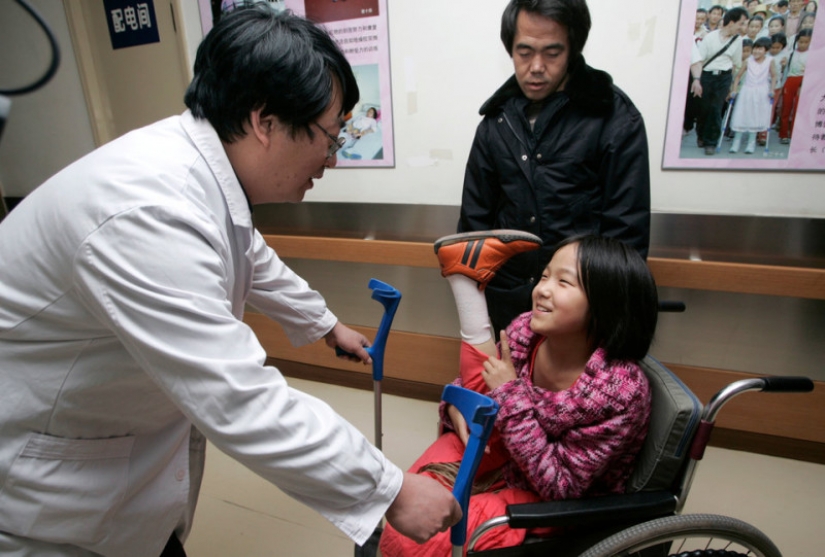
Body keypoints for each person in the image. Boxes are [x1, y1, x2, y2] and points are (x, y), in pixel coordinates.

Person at [0, 7, 461, 557]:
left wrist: (324, 322)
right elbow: (240, 399)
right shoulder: (147, 210)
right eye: (329, 137)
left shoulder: (198, 171)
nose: (331, 160)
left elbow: (248, 253)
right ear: (265, 123)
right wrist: (390, 489)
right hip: (44, 503)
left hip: (114, 465)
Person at [379, 230, 657, 555]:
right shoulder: (526, 332)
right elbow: (471, 383)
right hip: (504, 453)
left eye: (563, 283)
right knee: (406, 505)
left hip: (551, 499)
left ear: (606, 303)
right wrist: (457, 410)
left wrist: (509, 393)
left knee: (416, 541)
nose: (542, 290)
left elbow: (560, 486)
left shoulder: (617, 390)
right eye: (544, 276)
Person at [457, 0, 651, 336]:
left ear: (572, 48)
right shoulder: (495, 122)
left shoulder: (615, 118)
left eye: (552, 52)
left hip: (580, 314)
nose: (535, 66)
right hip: (508, 307)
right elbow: (474, 227)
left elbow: (625, 238)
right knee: (507, 389)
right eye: (524, 52)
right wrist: (477, 324)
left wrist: (599, 316)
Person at [690, 7, 749, 155]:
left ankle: (711, 142)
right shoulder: (710, 37)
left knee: (716, 109)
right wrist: (697, 80)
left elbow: (736, 63)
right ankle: (701, 135)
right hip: (707, 76)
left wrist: (731, 86)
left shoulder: (738, 40)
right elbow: (700, 60)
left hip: (724, 77)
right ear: (731, 22)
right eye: (741, 23)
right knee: (704, 108)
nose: (743, 27)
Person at [728, 37, 777, 153]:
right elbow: (738, 76)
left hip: (761, 92)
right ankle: (736, 141)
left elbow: (774, 75)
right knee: (742, 114)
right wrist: (734, 89)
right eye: (755, 48)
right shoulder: (748, 61)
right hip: (747, 91)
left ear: (766, 50)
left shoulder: (770, 60)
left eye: (760, 49)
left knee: (756, 116)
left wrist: (772, 89)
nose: (756, 51)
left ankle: (751, 143)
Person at [778, 28, 812, 143]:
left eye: (806, 42)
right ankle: (783, 134)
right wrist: (782, 63)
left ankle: (794, 134)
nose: (802, 44)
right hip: (790, 79)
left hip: (802, 81)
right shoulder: (791, 53)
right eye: (800, 42)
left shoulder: (811, 55)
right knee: (786, 108)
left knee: (798, 108)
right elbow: (785, 67)